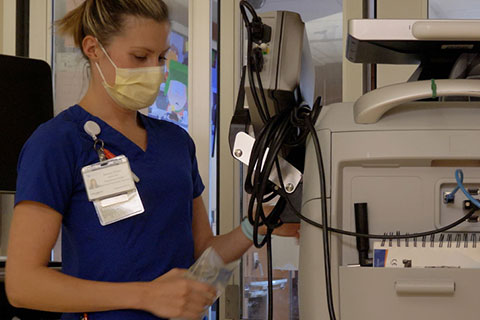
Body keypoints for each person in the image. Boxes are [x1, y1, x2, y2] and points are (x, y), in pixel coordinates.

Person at [5, 1, 299, 320]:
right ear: (93, 48)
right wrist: (148, 296)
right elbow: (22, 286)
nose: (155, 70)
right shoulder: (57, 143)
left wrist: (251, 228)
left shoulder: (175, 143)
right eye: (140, 56)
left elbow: (202, 257)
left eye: (160, 57)